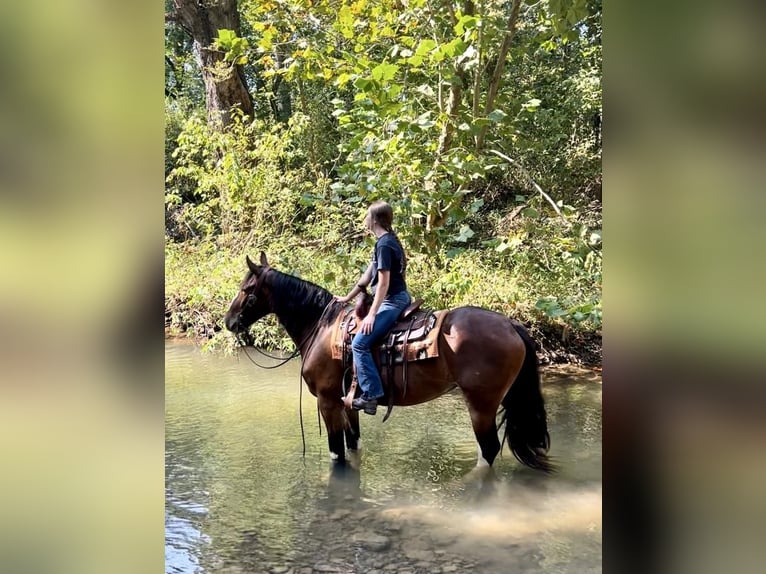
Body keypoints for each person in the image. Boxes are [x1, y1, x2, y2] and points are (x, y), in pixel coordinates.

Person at [336, 200, 411, 415]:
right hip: (395, 298)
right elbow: (366, 278)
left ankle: (371, 394)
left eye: (367, 215)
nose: (364, 219)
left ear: (375, 219)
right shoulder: (383, 242)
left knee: (359, 343)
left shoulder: (385, 244)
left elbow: (384, 283)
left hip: (392, 301)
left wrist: (371, 314)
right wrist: (346, 298)